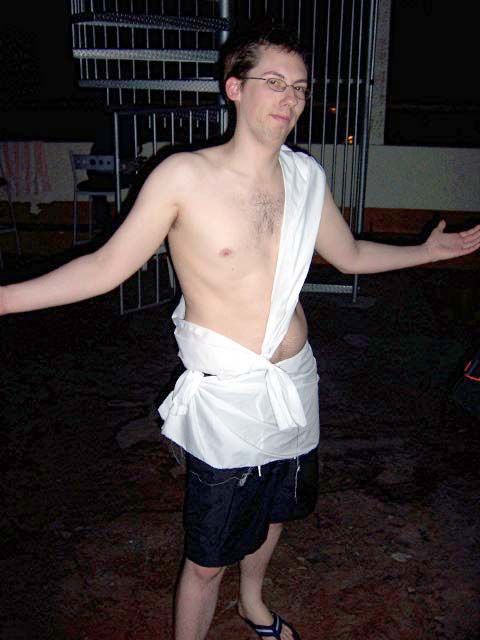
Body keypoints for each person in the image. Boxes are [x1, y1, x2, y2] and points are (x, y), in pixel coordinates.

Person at [1, 23, 479, 640]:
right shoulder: (184, 177)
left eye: (300, 88)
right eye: (273, 82)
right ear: (234, 87)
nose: (289, 99)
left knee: (277, 511)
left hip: (296, 381)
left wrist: (427, 252)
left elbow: (351, 254)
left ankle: (253, 602)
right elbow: (104, 268)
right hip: (230, 398)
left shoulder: (306, 176)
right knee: (207, 557)